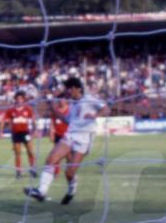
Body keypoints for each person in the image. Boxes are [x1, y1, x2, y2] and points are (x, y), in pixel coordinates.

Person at [25, 76, 107, 205]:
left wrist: (95, 115)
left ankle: (71, 191)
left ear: (78, 88)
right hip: (70, 135)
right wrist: (52, 107)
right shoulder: (73, 105)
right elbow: (66, 119)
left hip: (85, 138)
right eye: (67, 89)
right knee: (51, 159)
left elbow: (106, 108)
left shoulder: (89, 99)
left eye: (70, 88)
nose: (68, 91)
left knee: (69, 173)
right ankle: (41, 191)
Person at [0, 90, 37, 179]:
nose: (19, 100)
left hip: (26, 133)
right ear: (15, 99)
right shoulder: (10, 110)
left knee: (30, 151)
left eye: (21, 98)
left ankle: (33, 170)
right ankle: (18, 172)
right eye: (18, 98)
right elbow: (3, 121)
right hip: (16, 134)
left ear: (23, 100)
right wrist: (1, 132)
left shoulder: (28, 109)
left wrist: (35, 130)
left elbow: (34, 120)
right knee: (18, 153)